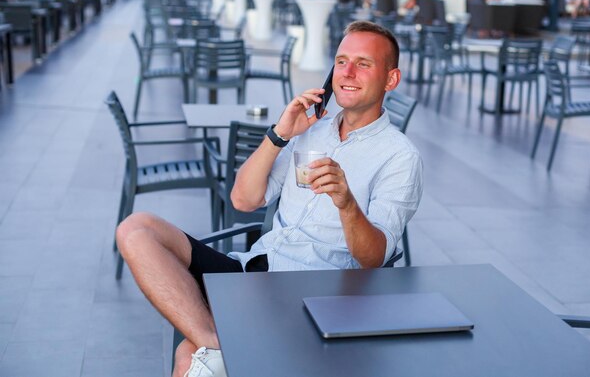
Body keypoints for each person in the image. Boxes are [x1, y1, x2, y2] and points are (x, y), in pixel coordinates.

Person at [116, 20, 423, 377]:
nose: (347, 72)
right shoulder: (313, 129)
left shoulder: (400, 157)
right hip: (254, 274)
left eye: (363, 64)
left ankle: (214, 347)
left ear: (391, 80)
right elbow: (243, 200)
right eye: (341, 61)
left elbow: (375, 258)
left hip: (315, 294)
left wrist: (346, 203)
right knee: (136, 229)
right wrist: (279, 134)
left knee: (189, 357)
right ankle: (217, 342)